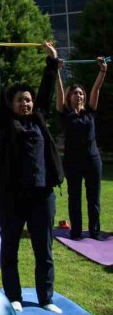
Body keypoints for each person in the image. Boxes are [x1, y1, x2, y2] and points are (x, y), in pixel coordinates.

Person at [0, 42, 65, 313]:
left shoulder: (39, 119)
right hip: (12, 196)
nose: (25, 103)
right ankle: (14, 296)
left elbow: (46, 92)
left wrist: (52, 62)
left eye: (28, 99)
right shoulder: (5, 121)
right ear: (11, 104)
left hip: (41, 195)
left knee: (44, 251)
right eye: (20, 100)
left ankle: (46, 298)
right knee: (9, 248)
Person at [55, 57, 106, 240]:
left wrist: (102, 70)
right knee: (74, 197)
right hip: (73, 162)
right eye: (75, 93)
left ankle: (94, 231)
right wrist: (57, 70)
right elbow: (59, 92)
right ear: (70, 97)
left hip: (92, 160)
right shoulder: (64, 113)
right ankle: (75, 231)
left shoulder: (89, 111)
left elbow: (96, 89)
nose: (79, 96)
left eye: (81, 93)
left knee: (94, 198)